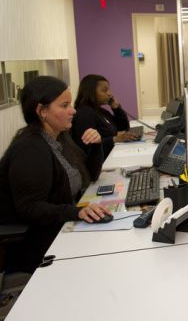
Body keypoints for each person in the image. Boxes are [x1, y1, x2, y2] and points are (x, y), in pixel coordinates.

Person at [0, 76, 111, 273]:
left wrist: (96, 146)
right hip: (39, 242)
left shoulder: (59, 137)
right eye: (64, 105)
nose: (73, 110)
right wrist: (76, 211)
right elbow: (30, 208)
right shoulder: (30, 149)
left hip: (61, 226)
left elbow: (89, 176)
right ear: (42, 111)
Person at [72, 74, 137, 160]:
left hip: (112, 155)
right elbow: (86, 146)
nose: (110, 94)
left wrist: (116, 108)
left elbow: (124, 127)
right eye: (104, 90)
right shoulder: (84, 113)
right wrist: (115, 139)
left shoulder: (101, 111)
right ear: (91, 92)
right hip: (101, 162)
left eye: (109, 90)